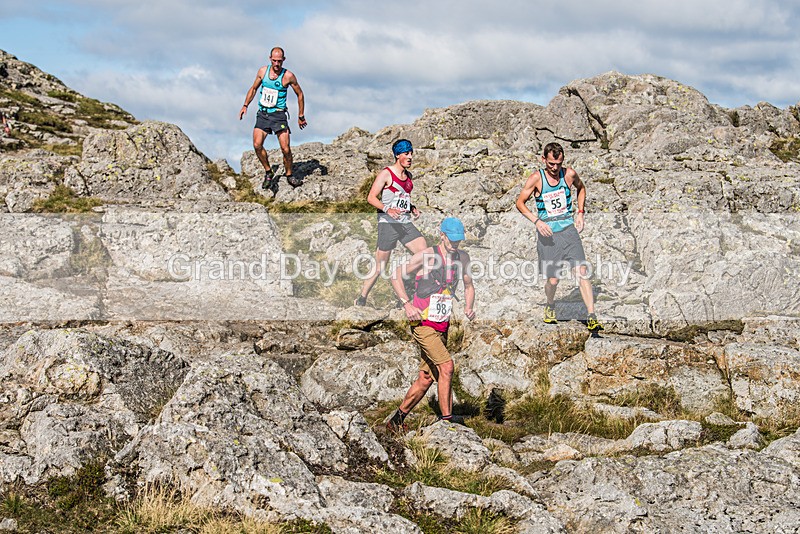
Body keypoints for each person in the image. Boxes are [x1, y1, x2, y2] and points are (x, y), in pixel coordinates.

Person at [386, 217, 476, 431]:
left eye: (458, 240)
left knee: (426, 378)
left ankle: (396, 421)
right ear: (442, 235)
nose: (455, 244)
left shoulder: (463, 258)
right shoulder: (427, 256)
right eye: (452, 240)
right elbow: (395, 275)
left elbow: (469, 285)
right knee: (446, 366)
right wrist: (407, 304)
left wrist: (469, 307)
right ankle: (447, 422)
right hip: (422, 322)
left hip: (441, 324)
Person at [515, 142, 603, 334]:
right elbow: (520, 203)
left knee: (581, 272)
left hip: (569, 231)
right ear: (543, 159)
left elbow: (582, 189)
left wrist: (580, 212)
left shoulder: (569, 174)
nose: (555, 168)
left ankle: (591, 316)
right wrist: (537, 221)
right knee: (553, 280)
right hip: (548, 236)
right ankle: (550, 304)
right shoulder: (536, 178)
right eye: (551, 164)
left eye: (559, 164)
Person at [354, 138, 427, 306]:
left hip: (404, 223)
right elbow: (371, 198)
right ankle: (362, 298)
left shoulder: (408, 176)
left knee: (424, 252)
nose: (410, 157)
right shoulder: (386, 174)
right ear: (397, 155)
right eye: (406, 154)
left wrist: (412, 208)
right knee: (380, 266)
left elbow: (402, 199)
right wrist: (388, 209)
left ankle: (407, 282)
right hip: (388, 224)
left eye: (411, 154)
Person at [239, 46, 306, 192]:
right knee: (257, 145)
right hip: (263, 114)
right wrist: (245, 105)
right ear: (270, 59)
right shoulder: (263, 71)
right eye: (274, 61)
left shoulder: (288, 76)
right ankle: (268, 172)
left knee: (285, 148)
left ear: (284, 60)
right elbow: (254, 88)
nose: (277, 64)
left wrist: (300, 115)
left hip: (279, 115)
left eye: (279, 61)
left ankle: (289, 175)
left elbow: (300, 94)